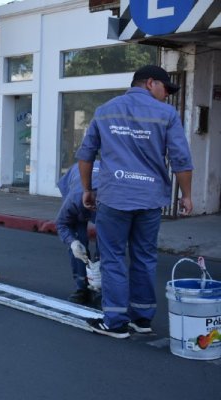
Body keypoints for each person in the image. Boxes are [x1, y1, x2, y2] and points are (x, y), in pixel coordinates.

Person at [76, 65, 193, 339]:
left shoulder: (106, 110)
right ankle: (142, 319)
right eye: (166, 89)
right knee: (144, 257)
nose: (167, 95)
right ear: (151, 83)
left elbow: (86, 154)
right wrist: (186, 195)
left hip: (114, 197)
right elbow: (181, 159)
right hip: (150, 200)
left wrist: (86, 190)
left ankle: (115, 322)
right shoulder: (167, 115)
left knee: (113, 258)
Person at [55, 161, 100, 305]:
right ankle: (82, 288)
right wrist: (72, 243)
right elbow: (62, 224)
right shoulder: (74, 199)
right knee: (79, 239)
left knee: (106, 247)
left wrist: (100, 259)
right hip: (76, 189)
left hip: (102, 201)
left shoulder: (111, 201)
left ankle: (99, 287)